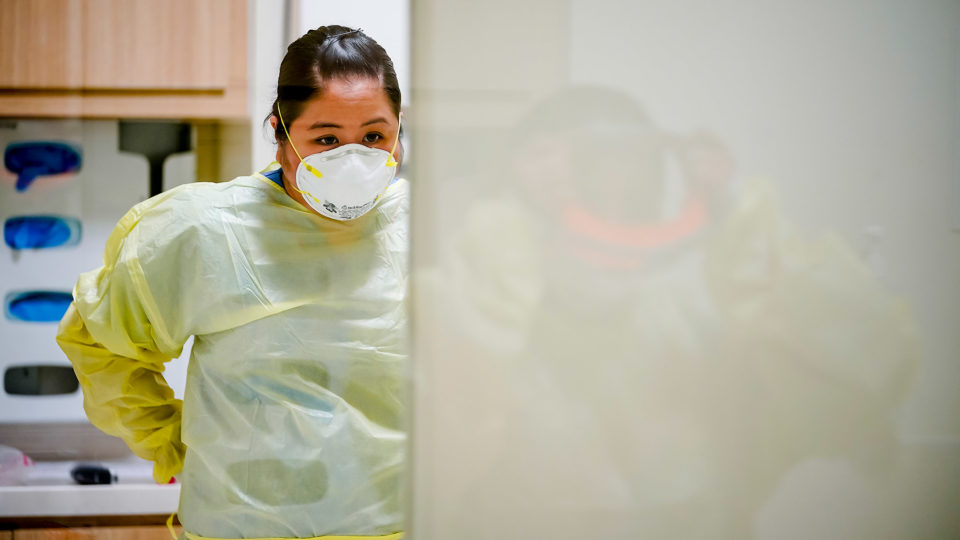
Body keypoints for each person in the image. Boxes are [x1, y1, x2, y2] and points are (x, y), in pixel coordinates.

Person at [56, 26, 408, 540]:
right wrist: (168, 442)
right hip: (244, 528)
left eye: (374, 137)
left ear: (400, 130)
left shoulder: (419, 230)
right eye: (326, 139)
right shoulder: (203, 230)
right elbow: (103, 346)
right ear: (281, 133)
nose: (352, 160)